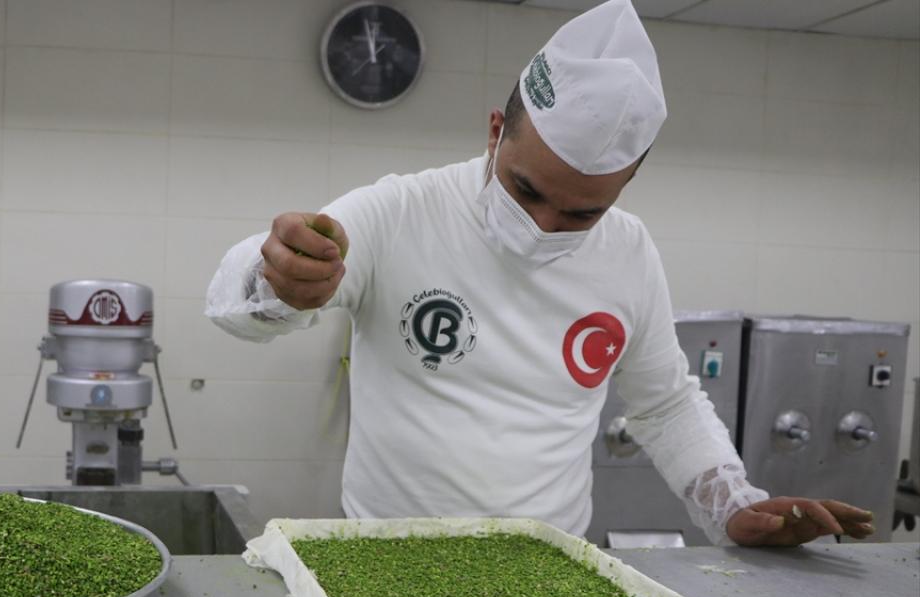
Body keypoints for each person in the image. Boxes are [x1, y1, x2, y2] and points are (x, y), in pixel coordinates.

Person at [204, 0, 873, 546]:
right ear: (496, 131)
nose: (543, 226)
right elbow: (236, 303)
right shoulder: (402, 211)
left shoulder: (628, 253)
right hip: (386, 557)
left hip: (549, 569)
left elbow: (666, 403)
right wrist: (276, 279)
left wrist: (731, 502)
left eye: (582, 213)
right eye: (526, 190)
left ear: (622, 188)